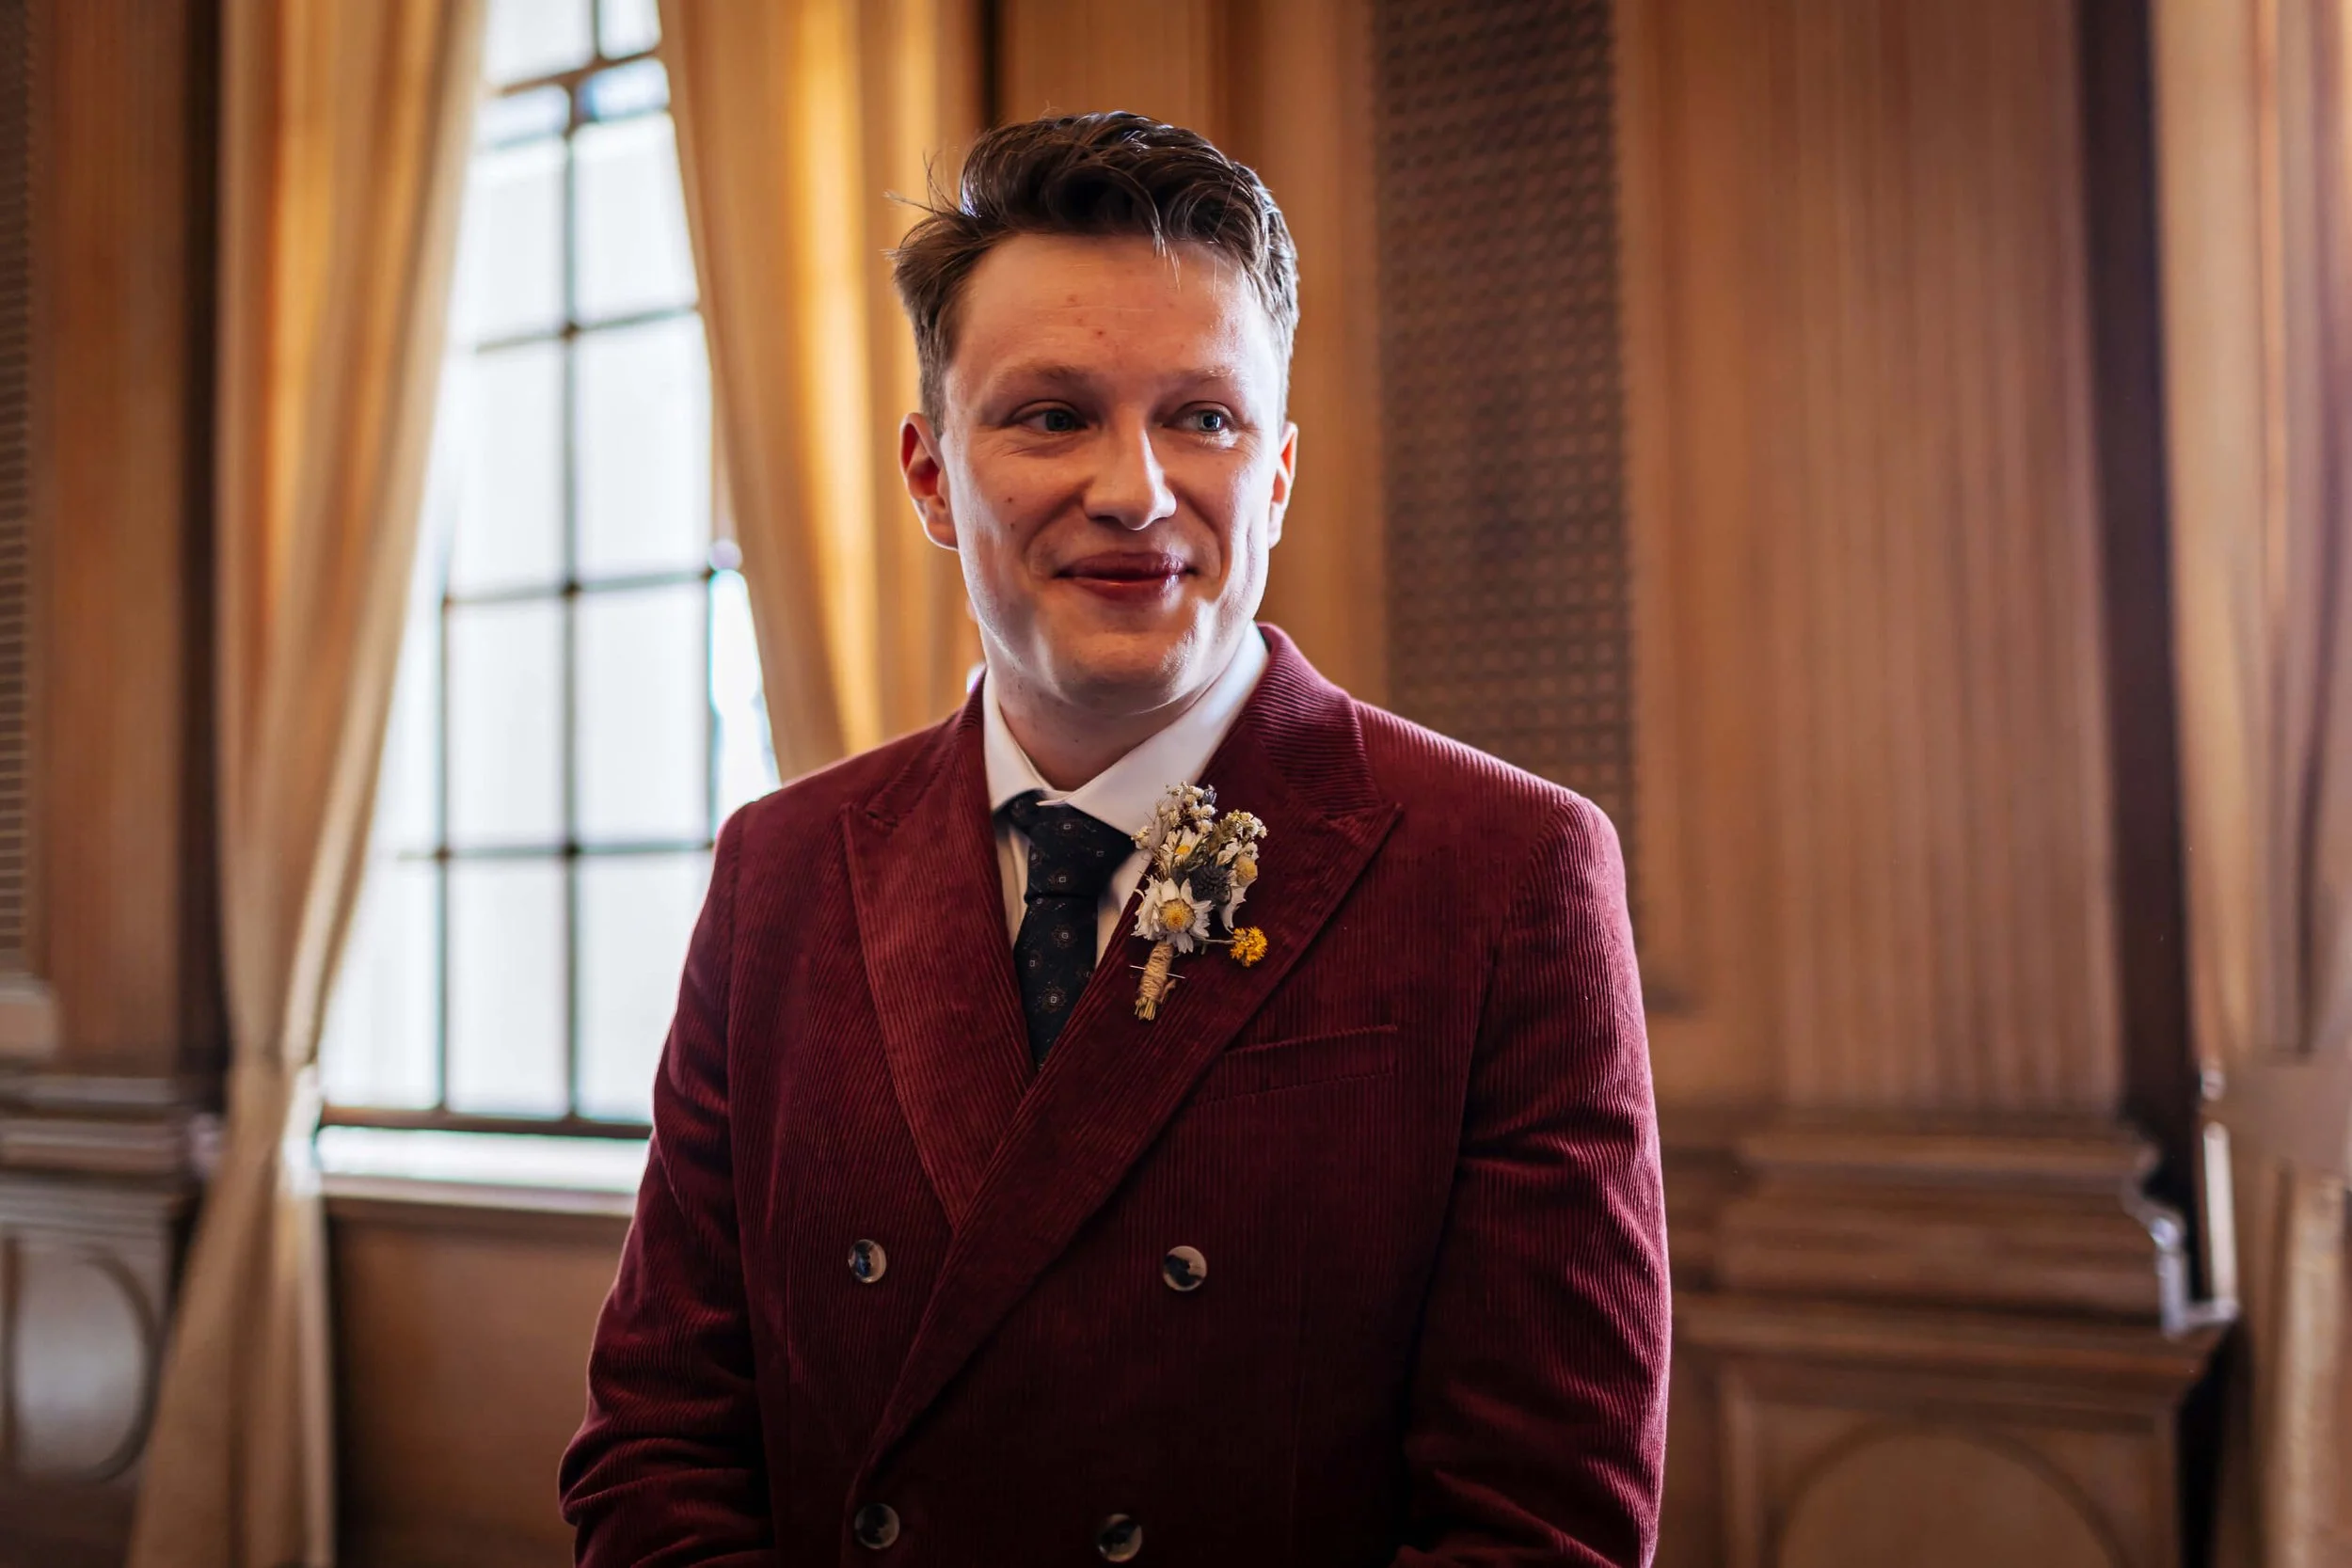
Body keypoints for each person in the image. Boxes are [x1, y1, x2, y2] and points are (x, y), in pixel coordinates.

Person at [560, 111, 1669, 1566]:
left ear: (1276, 473)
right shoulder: (779, 869)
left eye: (1203, 417)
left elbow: (1542, 1519)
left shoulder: (1510, 870)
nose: (1136, 489)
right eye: (1051, 415)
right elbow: (659, 1439)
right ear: (931, 476)